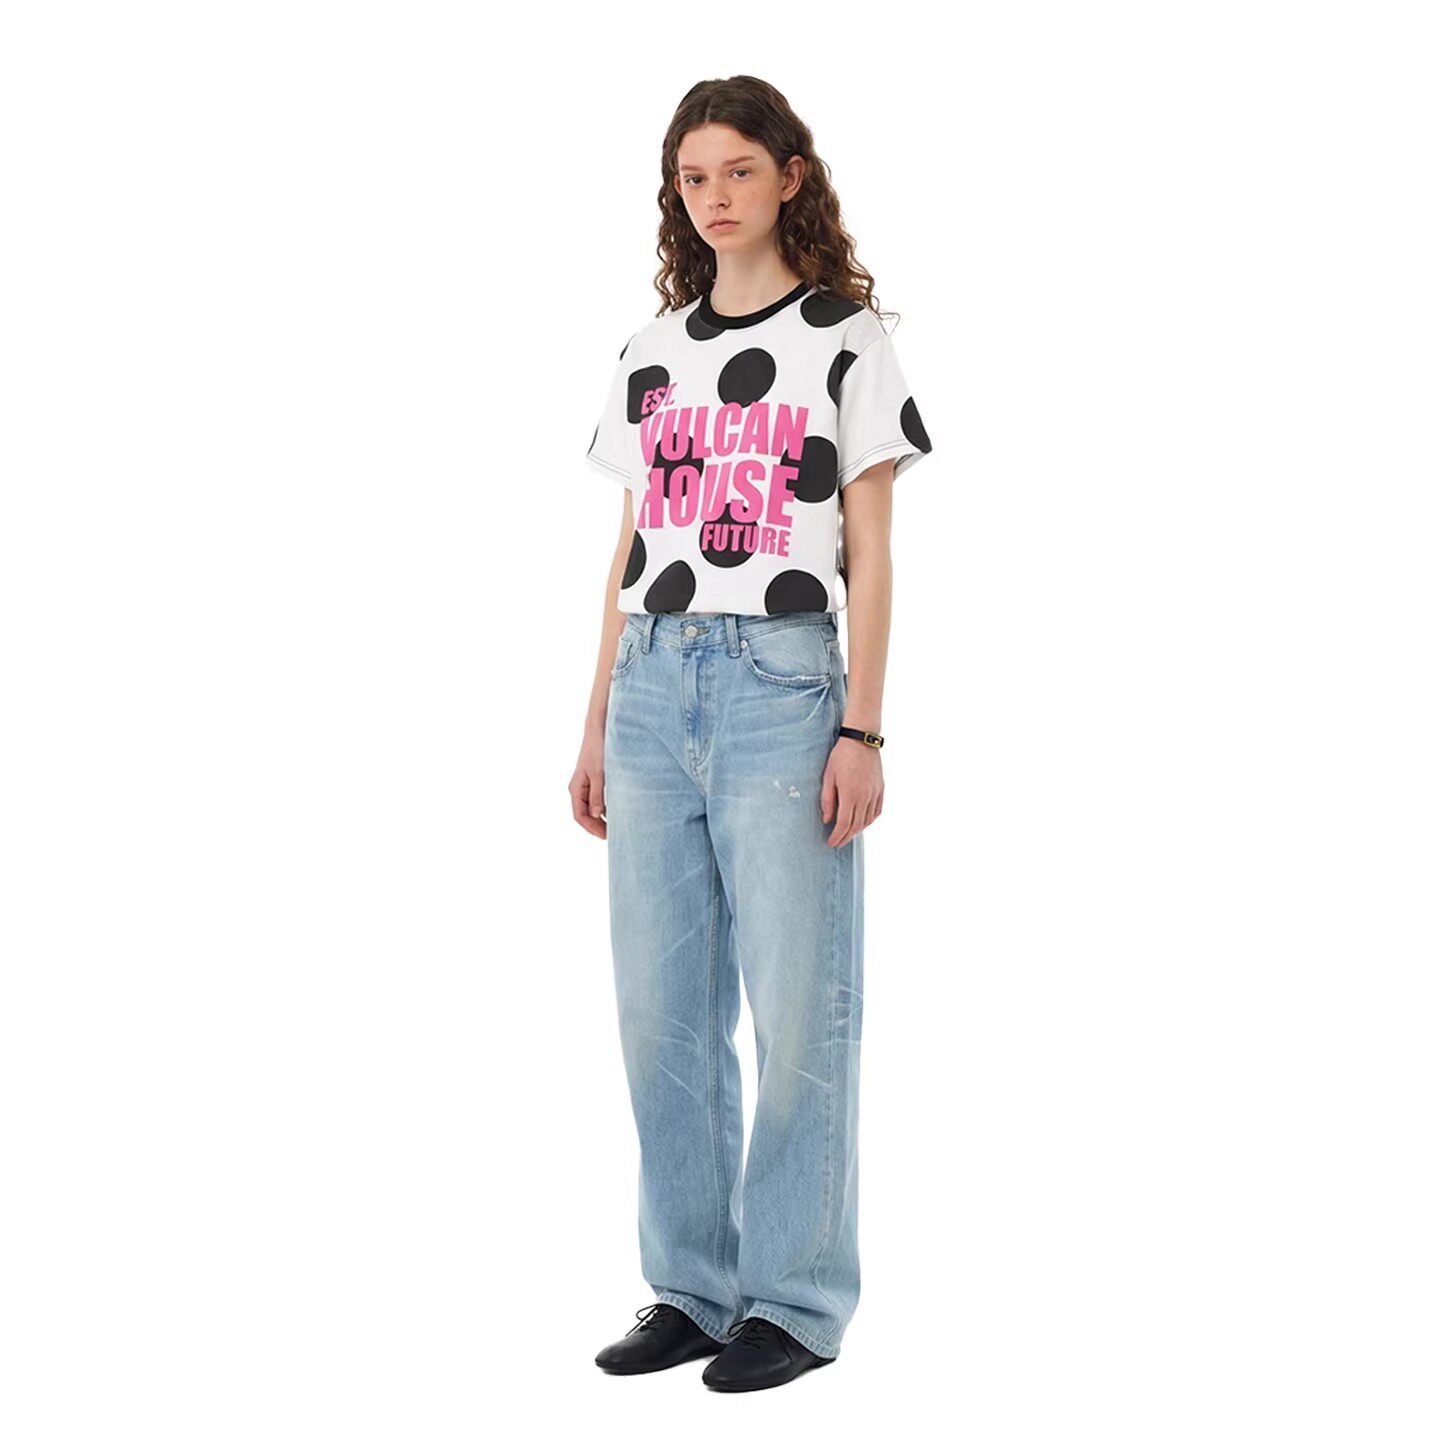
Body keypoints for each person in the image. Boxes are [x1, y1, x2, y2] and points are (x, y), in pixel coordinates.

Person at [569, 75, 932, 1393]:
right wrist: (595, 724)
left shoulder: (846, 340)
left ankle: (795, 1299)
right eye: (693, 176)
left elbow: (872, 553)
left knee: (797, 1008)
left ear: (789, 176)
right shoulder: (652, 350)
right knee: (659, 1012)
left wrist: (863, 730)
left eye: (738, 170)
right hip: (653, 684)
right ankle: (693, 1285)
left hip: (784, 687)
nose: (714, 197)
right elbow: (631, 550)